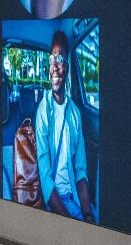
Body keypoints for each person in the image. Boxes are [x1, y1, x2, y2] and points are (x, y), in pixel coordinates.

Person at [32, 29, 93, 221]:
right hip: (55, 204)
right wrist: (69, 219)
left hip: (76, 199)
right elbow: (45, 177)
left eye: (60, 60)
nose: (55, 66)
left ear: (67, 67)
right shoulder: (43, 110)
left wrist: (88, 214)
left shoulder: (75, 113)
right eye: (51, 60)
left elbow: (81, 172)